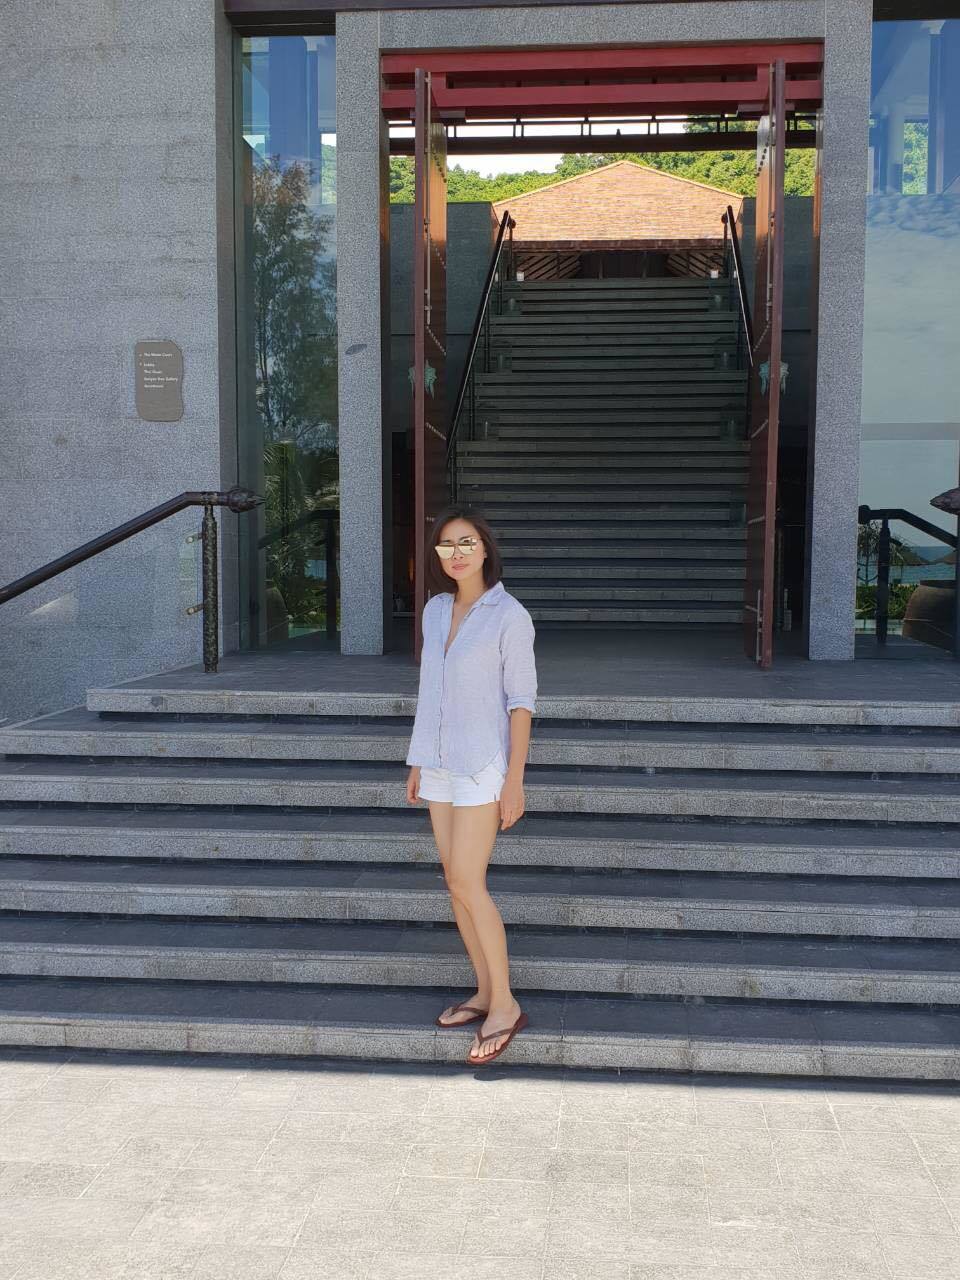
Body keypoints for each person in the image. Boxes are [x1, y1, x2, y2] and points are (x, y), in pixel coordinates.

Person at [405, 504, 537, 1066]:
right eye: (446, 545)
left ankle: (505, 1004)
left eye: (466, 543)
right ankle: (483, 992)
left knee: (468, 880)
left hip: (483, 766)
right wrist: (417, 760)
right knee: (454, 883)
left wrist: (515, 781)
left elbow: (521, 703)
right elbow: (429, 690)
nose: (456, 554)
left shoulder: (509, 615)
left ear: (485, 549)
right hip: (437, 764)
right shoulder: (436, 611)